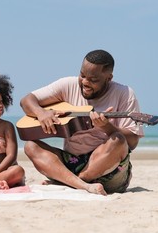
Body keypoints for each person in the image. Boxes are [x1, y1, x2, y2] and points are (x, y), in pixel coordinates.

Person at [20, 49, 144, 195]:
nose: (85, 82)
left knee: (118, 140)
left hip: (109, 172)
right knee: (31, 146)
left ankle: (73, 182)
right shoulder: (67, 85)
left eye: (93, 80)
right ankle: (82, 185)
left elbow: (132, 142)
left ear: (108, 78)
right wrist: (41, 113)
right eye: (82, 75)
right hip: (71, 163)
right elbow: (27, 100)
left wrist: (107, 127)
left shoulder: (125, 93)